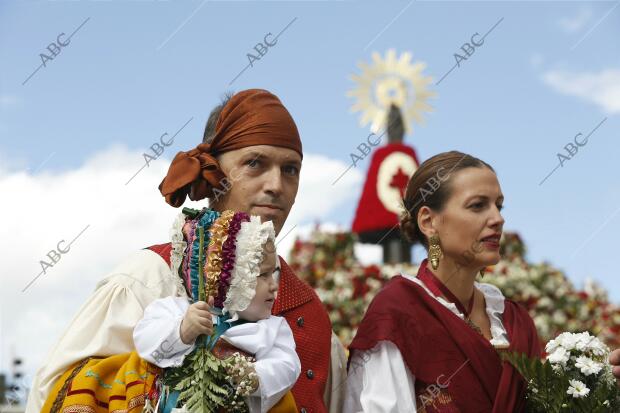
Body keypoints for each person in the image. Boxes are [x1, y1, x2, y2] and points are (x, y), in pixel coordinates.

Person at [27, 89, 346, 413]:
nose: (276, 185)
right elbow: (51, 397)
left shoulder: (313, 313)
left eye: (290, 169)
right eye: (254, 163)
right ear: (214, 173)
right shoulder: (148, 277)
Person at [343, 151, 541, 412]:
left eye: (498, 205)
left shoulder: (515, 321)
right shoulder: (398, 313)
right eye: (478, 205)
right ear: (428, 221)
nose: (497, 219)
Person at [134, 212, 300, 412]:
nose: (274, 286)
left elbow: (287, 366)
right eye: (262, 275)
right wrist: (183, 331)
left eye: (273, 274)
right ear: (227, 279)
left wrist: (254, 377)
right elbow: (145, 341)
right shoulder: (178, 309)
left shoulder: (273, 328)